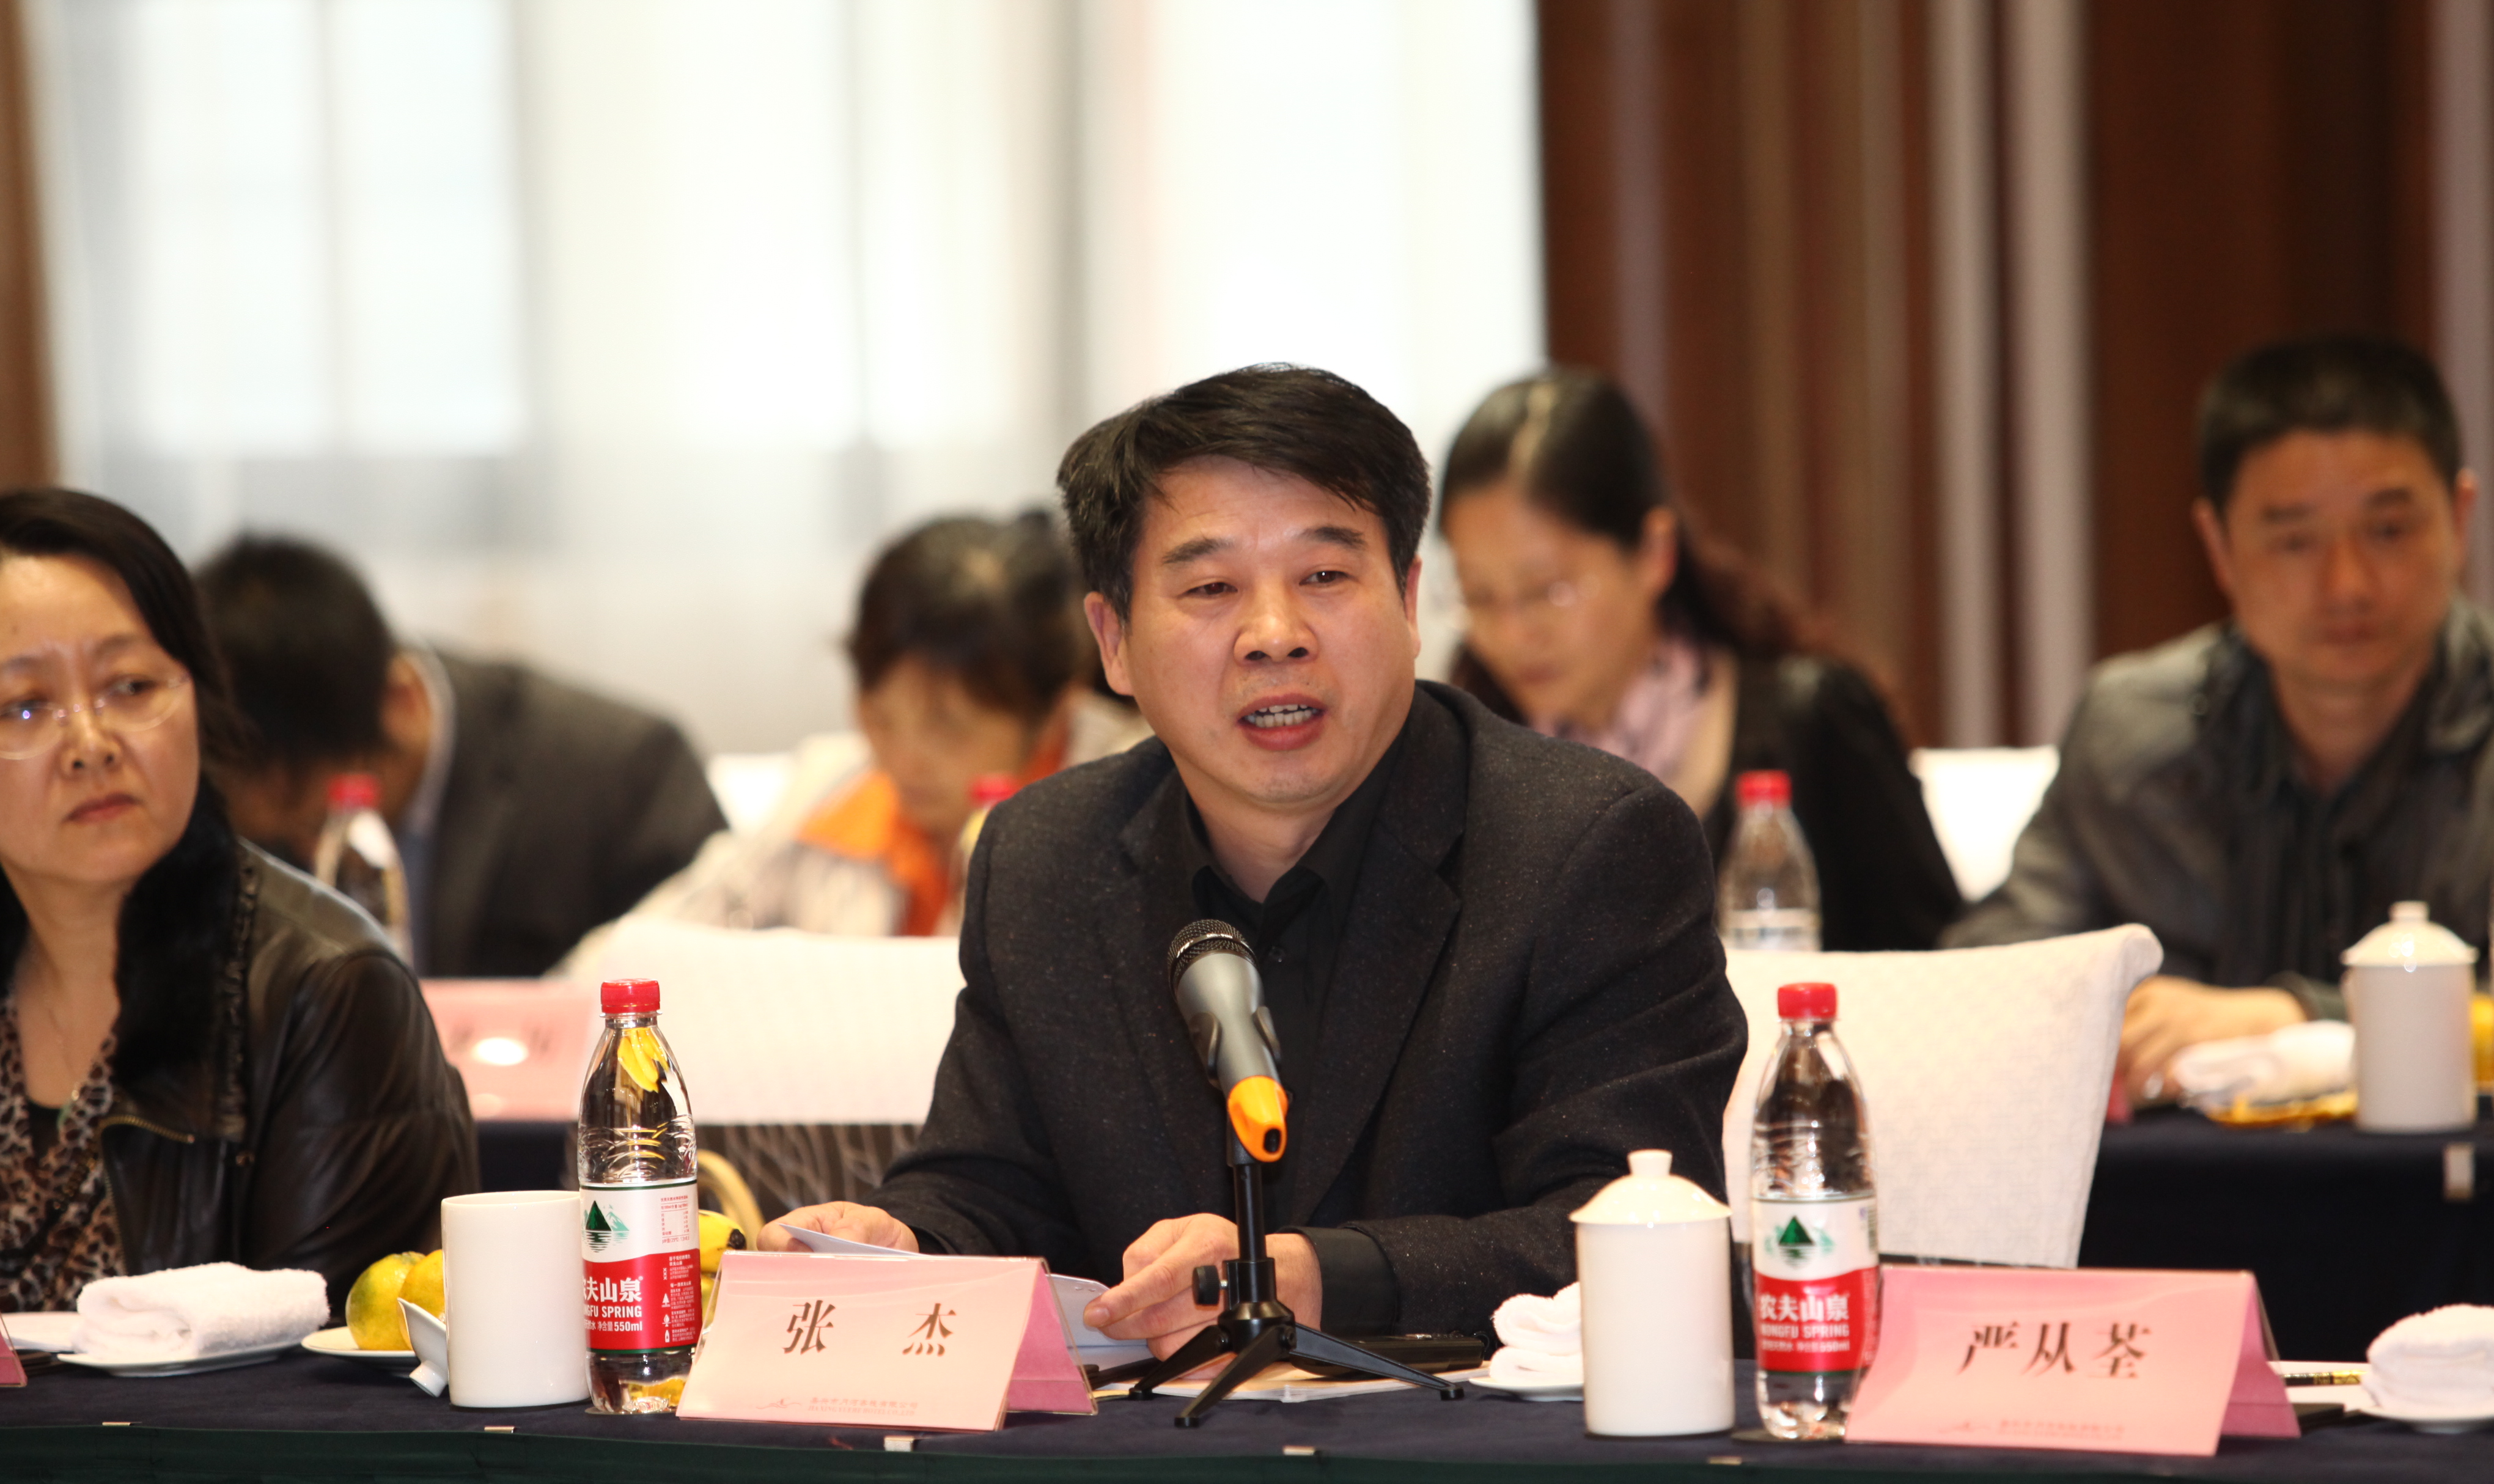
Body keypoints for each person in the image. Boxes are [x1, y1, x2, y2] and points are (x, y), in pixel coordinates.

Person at [762, 365, 1746, 1350]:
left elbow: (1632, 1231)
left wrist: (1317, 1279)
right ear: (1113, 641)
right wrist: (902, 1241)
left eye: (1325, 577)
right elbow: (992, 1188)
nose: (1275, 636)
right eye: (1210, 588)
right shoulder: (1046, 861)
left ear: (1409, 602)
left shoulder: (1587, 848)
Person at [1946, 335, 2489, 1098]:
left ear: (2460, 519)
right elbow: (1987, 983)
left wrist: (2297, 1016)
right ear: (2220, 546)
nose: (2347, 585)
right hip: (2194, 1176)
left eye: (2389, 530)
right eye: (2295, 541)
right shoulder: (2133, 735)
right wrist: (2094, 1018)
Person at [0, 489, 474, 1313]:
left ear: (199, 698)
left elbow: (323, 1372)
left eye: (131, 685)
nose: (90, 744)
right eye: (25, 706)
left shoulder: (327, 992)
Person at [1438, 368, 1962, 950]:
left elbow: (1943, 967)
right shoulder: (1463, 767)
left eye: (1547, 590)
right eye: (1478, 595)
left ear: (1652, 553)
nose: (1512, 634)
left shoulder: (1813, 720)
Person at [193, 536, 727, 977]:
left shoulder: (623, 773)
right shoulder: (211, 799)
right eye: (281, 839)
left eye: (320, 820)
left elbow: (707, 983)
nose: (312, 856)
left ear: (401, 701)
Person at [624, 511, 1151, 938]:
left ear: (1055, 712)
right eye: (879, 718)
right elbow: (640, 947)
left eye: (948, 727)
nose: (903, 759)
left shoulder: (1137, 807)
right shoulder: (837, 783)